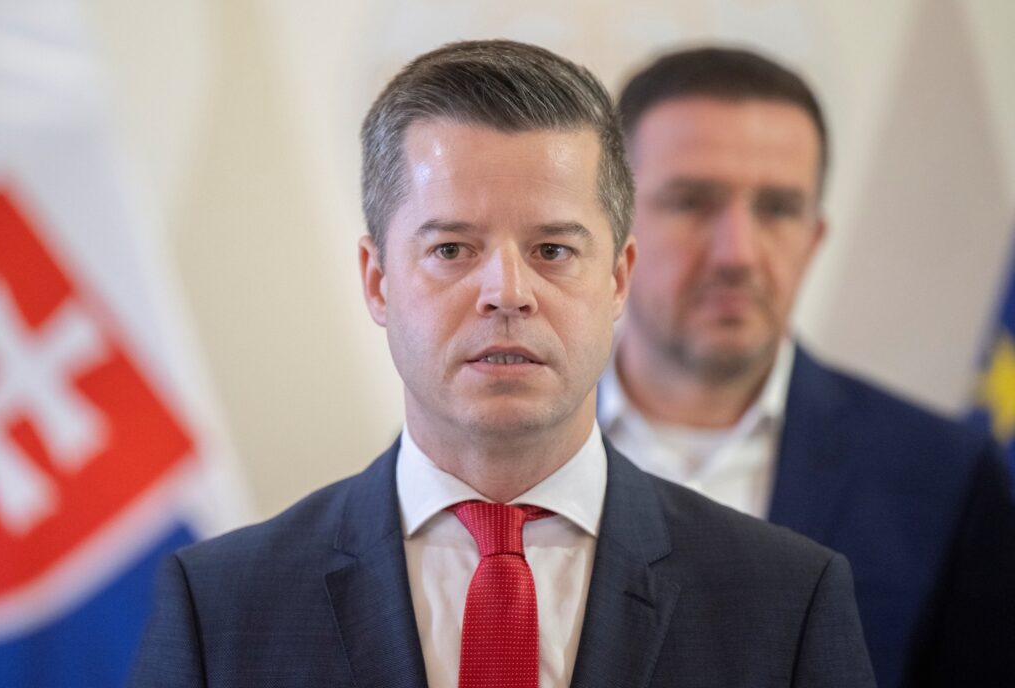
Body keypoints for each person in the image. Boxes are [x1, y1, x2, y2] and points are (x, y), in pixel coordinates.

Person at [129, 40, 875, 687]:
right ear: (378, 281)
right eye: (452, 249)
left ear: (618, 279)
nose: (507, 292)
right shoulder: (220, 606)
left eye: (553, 249)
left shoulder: (787, 599)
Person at [602, 45, 1015, 688]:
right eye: (692, 201)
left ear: (815, 237)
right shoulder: (505, 453)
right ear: (610, 229)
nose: (737, 253)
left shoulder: (942, 476)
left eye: (777, 208)